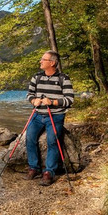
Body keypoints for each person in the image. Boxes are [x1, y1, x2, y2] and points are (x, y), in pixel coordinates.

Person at [25, 50, 74, 186]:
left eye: (43, 59)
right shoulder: (37, 77)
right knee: (29, 138)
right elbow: (29, 94)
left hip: (56, 115)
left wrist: (52, 102)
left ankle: (49, 172)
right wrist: (33, 100)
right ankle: (33, 168)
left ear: (52, 63)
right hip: (37, 114)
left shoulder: (63, 78)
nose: (40, 61)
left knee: (52, 140)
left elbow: (69, 99)